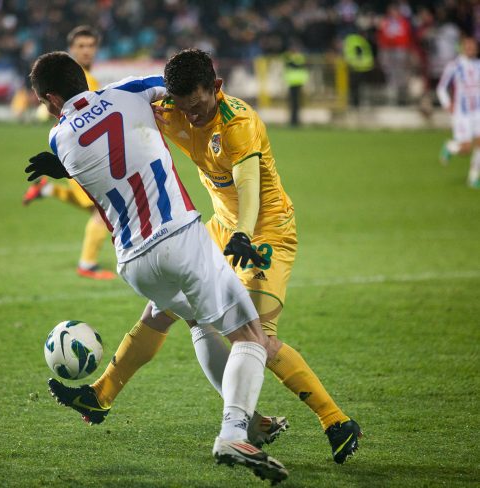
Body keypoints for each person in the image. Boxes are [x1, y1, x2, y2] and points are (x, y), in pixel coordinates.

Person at [50, 49, 362, 465]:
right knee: (162, 310)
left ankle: (335, 420)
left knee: (259, 338)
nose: (191, 116)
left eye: (198, 106)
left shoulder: (239, 122)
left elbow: (248, 183)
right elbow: (112, 128)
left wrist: (244, 233)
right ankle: (101, 395)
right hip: (221, 227)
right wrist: (65, 164)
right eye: (183, 107)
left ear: (215, 88)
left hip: (265, 233)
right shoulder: (172, 110)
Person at [29, 51, 288, 483]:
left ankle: (250, 422)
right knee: (250, 335)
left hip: (133, 261)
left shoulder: (58, 138)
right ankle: (233, 432)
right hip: (179, 236)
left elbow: (90, 145)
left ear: (53, 99)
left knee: (198, 324)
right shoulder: (128, 91)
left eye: (41, 102)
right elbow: (177, 86)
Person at [23, 26, 115, 280]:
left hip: (76, 153)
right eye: (81, 46)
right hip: (82, 154)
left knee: (97, 207)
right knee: (101, 210)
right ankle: (87, 264)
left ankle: (47, 190)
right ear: (71, 49)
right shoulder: (76, 80)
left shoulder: (87, 79)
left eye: (90, 45)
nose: (86, 51)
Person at [437, 35, 480, 189]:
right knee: (466, 148)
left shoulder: (478, 65)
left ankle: (474, 178)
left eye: (473, 46)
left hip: (478, 112)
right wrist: (448, 104)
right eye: (468, 46)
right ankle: (450, 147)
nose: (471, 49)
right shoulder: (454, 66)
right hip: (462, 113)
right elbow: (441, 87)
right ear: (462, 48)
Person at [283, 42, 309, 127]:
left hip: (297, 82)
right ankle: (294, 121)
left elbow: (294, 64)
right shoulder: (293, 57)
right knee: (294, 103)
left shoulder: (296, 57)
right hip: (293, 83)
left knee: (296, 103)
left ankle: (295, 121)